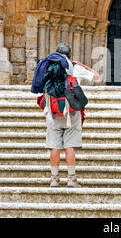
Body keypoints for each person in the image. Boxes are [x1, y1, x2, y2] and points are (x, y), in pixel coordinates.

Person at [46, 43, 99, 188]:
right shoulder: (75, 68)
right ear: (70, 56)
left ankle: (54, 179)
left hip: (53, 112)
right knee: (69, 146)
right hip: (72, 112)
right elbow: (96, 77)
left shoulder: (48, 68)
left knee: (54, 146)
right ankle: (71, 179)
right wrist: (83, 65)